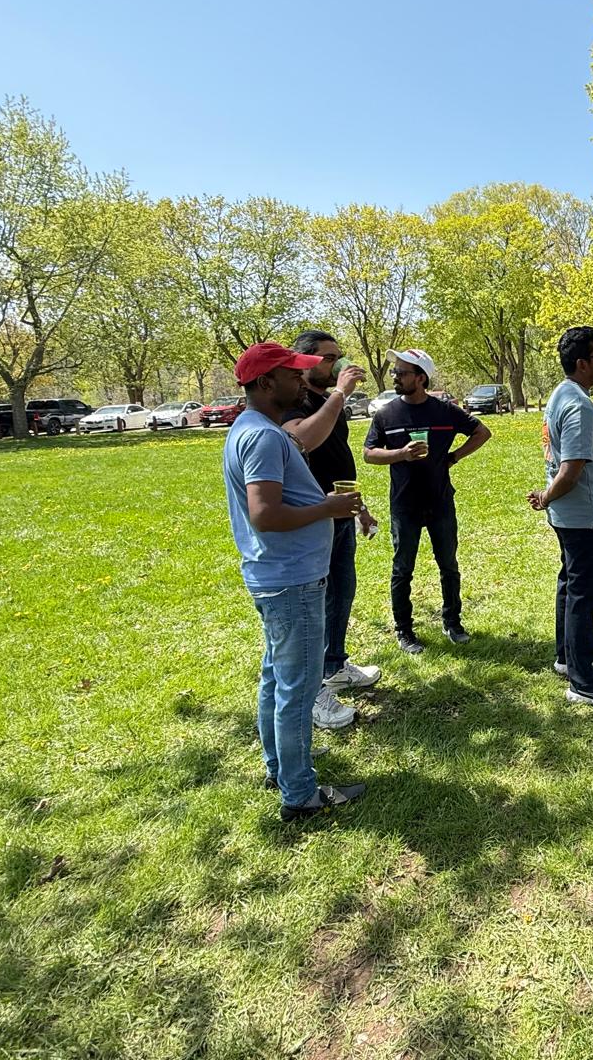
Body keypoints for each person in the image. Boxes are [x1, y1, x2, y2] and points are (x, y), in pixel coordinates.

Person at [222, 341, 366, 822]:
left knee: (275, 678)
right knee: (298, 691)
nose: (301, 380)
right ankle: (300, 794)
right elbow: (265, 515)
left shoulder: (254, 429)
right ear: (265, 383)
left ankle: (279, 768)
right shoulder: (262, 437)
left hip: (277, 576)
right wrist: (327, 508)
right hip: (291, 580)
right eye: (291, 374)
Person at [281, 330, 383, 732]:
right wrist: (340, 393)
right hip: (310, 519)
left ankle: (335, 666)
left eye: (338, 357)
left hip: (339, 514)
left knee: (342, 592)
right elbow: (300, 441)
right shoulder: (294, 401)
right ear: (302, 360)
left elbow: (338, 462)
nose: (336, 364)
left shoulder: (328, 402)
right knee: (315, 606)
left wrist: (361, 508)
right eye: (328, 357)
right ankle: (313, 693)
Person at [528, 326, 593, 708]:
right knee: (583, 596)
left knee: (570, 586)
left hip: (572, 515)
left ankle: (567, 656)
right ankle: (583, 681)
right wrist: (545, 497)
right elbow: (570, 470)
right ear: (582, 363)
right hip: (586, 518)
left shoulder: (562, 395)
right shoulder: (577, 405)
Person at [363, 347, 491, 655]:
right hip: (404, 504)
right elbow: (368, 453)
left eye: (401, 372)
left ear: (421, 378)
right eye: (394, 371)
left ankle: (453, 622)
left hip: (440, 501)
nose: (395, 376)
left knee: (448, 565)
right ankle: (404, 630)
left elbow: (482, 432)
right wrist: (400, 454)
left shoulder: (444, 411)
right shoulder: (386, 414)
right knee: (402, 569)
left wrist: (453, 457)